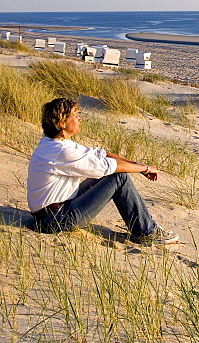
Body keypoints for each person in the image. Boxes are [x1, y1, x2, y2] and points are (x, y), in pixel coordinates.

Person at [26, 97, 179, 245]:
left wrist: (137, 165)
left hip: (53, 212)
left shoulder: (55, 144)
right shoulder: (60, 151)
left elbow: (100, 153)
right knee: (118, 178)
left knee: (115, 174)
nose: (79, 119)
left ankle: (143, 228)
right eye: (74, 116)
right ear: (61, 124)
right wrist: (145, 168)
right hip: (55, 219)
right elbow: (109, 166)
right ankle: (147, 232)